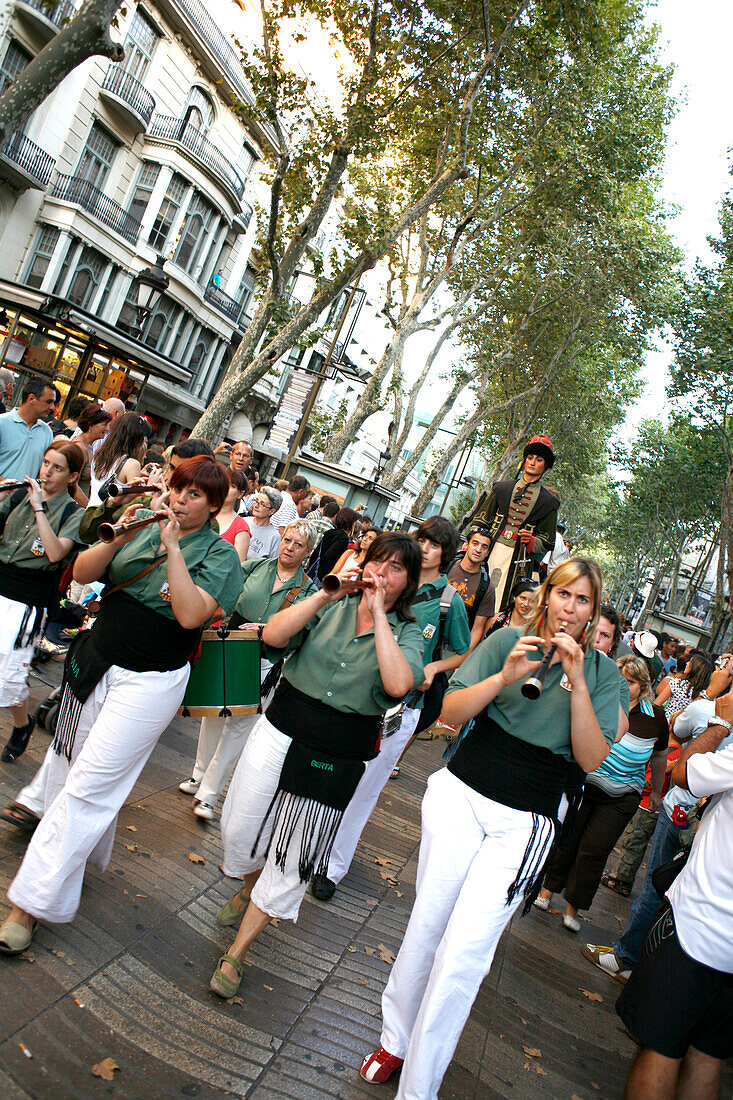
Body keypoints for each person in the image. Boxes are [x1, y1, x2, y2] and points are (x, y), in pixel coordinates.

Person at [359, 558, 621, 1096]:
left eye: (584, 601)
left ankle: (421, 1083)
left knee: (465, 951)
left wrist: (574, 680)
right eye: (564, 595)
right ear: (548, 596)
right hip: (463, 794)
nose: (571, 609)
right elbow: (450, 710)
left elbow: (592, 758)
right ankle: (395, 1038)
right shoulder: (506, 639)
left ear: (595, 614)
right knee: (428, 924)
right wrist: (504, 676)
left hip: (524, 822)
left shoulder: (602, 675)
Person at [0, 456, 243, 954]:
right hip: (97, 659)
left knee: (90, 785)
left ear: (214, 505)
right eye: (178, 489)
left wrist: (173, 547)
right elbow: (79, 573)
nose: (181, 499)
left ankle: (30, 903)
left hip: (151, 680)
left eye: (196, 495)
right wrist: (120, 534)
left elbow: (190, 614)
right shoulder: (141, 523)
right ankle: (78, 856)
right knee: (72, 770)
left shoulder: (220, 556)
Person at [208, 533, 424, 999]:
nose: (381, 574)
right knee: (239, 829)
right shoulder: (329, 597)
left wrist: (381, 616)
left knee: (293, 857)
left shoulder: (407, 628)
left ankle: (238, 952)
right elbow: (273, 636)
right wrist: (327, 593)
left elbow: (399, 683)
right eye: (377, 562)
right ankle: (249, 885)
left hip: (338, 753)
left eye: (395, 569)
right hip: (283, 726)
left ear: (407, 583)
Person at [310, 516, 471, 901]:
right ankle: (304, 844)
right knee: (324, 769)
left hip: (401, 708)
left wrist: (431, 667)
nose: (427, 548)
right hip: (353, 695)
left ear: (446, 555)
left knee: (365, 786)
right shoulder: (385, 579)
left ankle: (331, 865)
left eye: (435, 545)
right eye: (423, 540)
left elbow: (463, 651)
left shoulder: (448, 601)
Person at [582, 655, 733, 984]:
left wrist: (712, 705)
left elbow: (680, 754)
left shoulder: (711, 710)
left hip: (684, 810)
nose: (722, 669)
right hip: (698, 821)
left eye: (727, 666)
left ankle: (627, 958)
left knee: (657, 886)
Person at [616, 712, 733, 1100]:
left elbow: (683, 772)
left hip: (700, 928)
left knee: (661, 1048)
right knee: (708, 1055)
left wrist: (721, 721)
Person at [180, 519, 317, 821]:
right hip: (231, 649)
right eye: (287, 540)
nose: (289, 548)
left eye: (298, 545)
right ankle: (198, 775)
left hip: (266, 660)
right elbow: (226, 592)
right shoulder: (256, 567)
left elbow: (303, 631)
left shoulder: (308, 590)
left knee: (238, 729)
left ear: (307, 552)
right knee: (213, 714)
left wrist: (270, 629)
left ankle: (209, 795)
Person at [534, 655, 668, 931]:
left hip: (623, 795)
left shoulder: (655, 717)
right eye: (620, 679)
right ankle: (547, 890)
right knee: (567, 838)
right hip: (586, 781)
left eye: (630, 682)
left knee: (594, 851)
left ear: (642, 685)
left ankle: (574, 907)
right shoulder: (601, 700)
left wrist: (656, 791)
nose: (624, 685)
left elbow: (659, 756)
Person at [0, 442, 84, 763]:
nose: (46, 472)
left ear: (73, 476)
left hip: (28, 601)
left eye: (57, 468)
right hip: (1, 580)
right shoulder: (20, 494)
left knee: (10, 676)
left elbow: (54, 553)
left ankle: (22, 724)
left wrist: (39, 508)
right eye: (45, 463)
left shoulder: (72, 513)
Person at [464, 435, 559, 613]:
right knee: (474, 592)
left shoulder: (549, 502)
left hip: (519, 561)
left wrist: (531, 541)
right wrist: (472, 543)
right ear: (523, 462)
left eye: (538, 460)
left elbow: (547, 542)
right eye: (530, 458)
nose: (532, 462)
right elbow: (481, 519)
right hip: (490, 549)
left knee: (505, 602)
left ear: (545, 466)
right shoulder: (502, 488)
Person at [446, 527, 496, 650]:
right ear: (466, 545)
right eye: (475, 543)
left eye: (484, 547)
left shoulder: (487, 587)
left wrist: (460, 661)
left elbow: (477, 629)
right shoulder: (446, 567)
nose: (478, 550)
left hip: (455, 646)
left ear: (487, 553)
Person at [88, 411, 150, 506]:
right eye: (143, 437)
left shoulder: (100, 453)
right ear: (136, 439)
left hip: (90, 512)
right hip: (107, 517)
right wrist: (151, 485)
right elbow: (137, 502)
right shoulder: (132, 464)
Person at [0, 377, 54, 480]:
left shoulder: (47, 432)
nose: (52, 408)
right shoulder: (2, 423)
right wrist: (7, 485)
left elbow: (42, 472)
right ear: (31, 399)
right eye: (48, 402)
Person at [307, 506, 360, 583]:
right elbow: (329, 557)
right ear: (351, 523)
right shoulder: (343, 538)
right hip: (321, 578)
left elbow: (316, 553)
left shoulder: (330, 532)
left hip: (313, 573)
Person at [655, 651, 712, 720]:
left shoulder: (678, 683)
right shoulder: (703, 694)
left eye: (690, 663)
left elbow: (656, 704)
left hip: (666, 722)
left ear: (694, 668)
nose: (687, 663)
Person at [71, 403, 111, 500]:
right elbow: (72, 486)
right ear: (90, 425)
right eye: (104, 425)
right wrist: (88, 509)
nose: (107, 429)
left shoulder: (88, 446)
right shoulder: (79, 447)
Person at [215, 469, 250, 562]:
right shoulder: (204, 511)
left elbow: (237, 566)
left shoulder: (240, 527)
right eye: (224, 482)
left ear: (240, 494)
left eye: (232, 486)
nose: (226, 488)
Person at [246, 486, 282, 559]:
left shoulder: (274, 537)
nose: (256, 506)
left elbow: (271, 566)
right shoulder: (244, 522)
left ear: (272, 511)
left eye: (262, 504)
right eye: (256, 501)